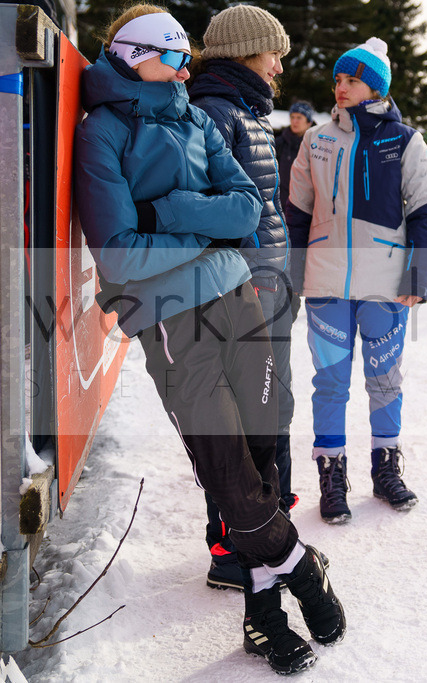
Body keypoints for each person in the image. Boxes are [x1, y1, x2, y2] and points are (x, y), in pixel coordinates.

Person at [73, 5, 343, 674]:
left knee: (260, 452)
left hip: (239, 295)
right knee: (225, 465)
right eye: (173, 56)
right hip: (171, 314)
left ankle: (263, 612)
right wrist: (208, 235)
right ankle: (298, 563)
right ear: (135, 56)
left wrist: (168, 214)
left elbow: (246, 208)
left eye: (186, 57)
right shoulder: (102, 132)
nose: (185, 69)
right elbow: (119, 252)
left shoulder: (193, 117)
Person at [286, 37, 427, 525]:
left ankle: (385, 468)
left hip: (385, 284)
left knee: (385, 380)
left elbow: (424, 213)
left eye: (352, 79)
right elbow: (296, 213)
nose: (342, 87)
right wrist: (293, 273)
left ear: (376, 87)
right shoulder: (316, 140)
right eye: (338, 78)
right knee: (330, 383)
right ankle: (331, 476)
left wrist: (418, 274)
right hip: (326, 282)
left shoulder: (406, 141)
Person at [188, 2, 296, 594]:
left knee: (271, 408)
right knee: (242, 417)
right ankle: (233, 548)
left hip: (268, 282)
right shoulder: (215, 110)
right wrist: (245, 276)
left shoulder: (248, 111)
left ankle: (268, 529)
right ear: (246, 51)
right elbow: (217, 207)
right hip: (242, 287)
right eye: (274, 52)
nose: (279, 65)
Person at [276, 100, 316, 211]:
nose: (295, 121)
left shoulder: (316, 145)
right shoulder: (279, 143)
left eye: (299, 118)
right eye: (292, 117)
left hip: (305, 207)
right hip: (280, 205)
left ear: (309, 122)